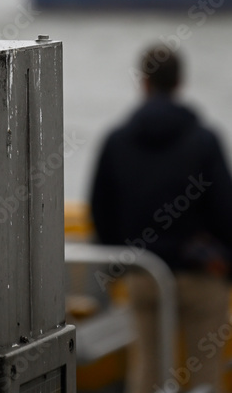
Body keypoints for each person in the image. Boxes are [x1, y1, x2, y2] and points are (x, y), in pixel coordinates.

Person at [90, 44, 232, 393]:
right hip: (199, 276)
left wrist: (120, 262)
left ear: (144, 82)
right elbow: (225, 211)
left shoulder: (117, 141)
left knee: (148, 373)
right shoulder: (204, 140)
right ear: (180, 82)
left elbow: (101, 209)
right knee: (203, 376)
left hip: (144, 273)